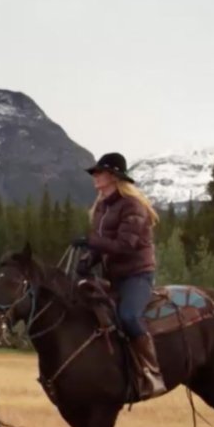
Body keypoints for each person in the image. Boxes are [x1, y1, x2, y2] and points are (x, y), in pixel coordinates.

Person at [74, 152, 166, 400]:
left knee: (129, 316)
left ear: (113, 177)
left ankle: (152, 373)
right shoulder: (102, 207)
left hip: (137, 275)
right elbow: (103, 245)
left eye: (99, 172)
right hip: (113, 276)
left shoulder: (132, 206)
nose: (95, 176)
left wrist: (91, 242)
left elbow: (125, 245)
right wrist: (87, 261)